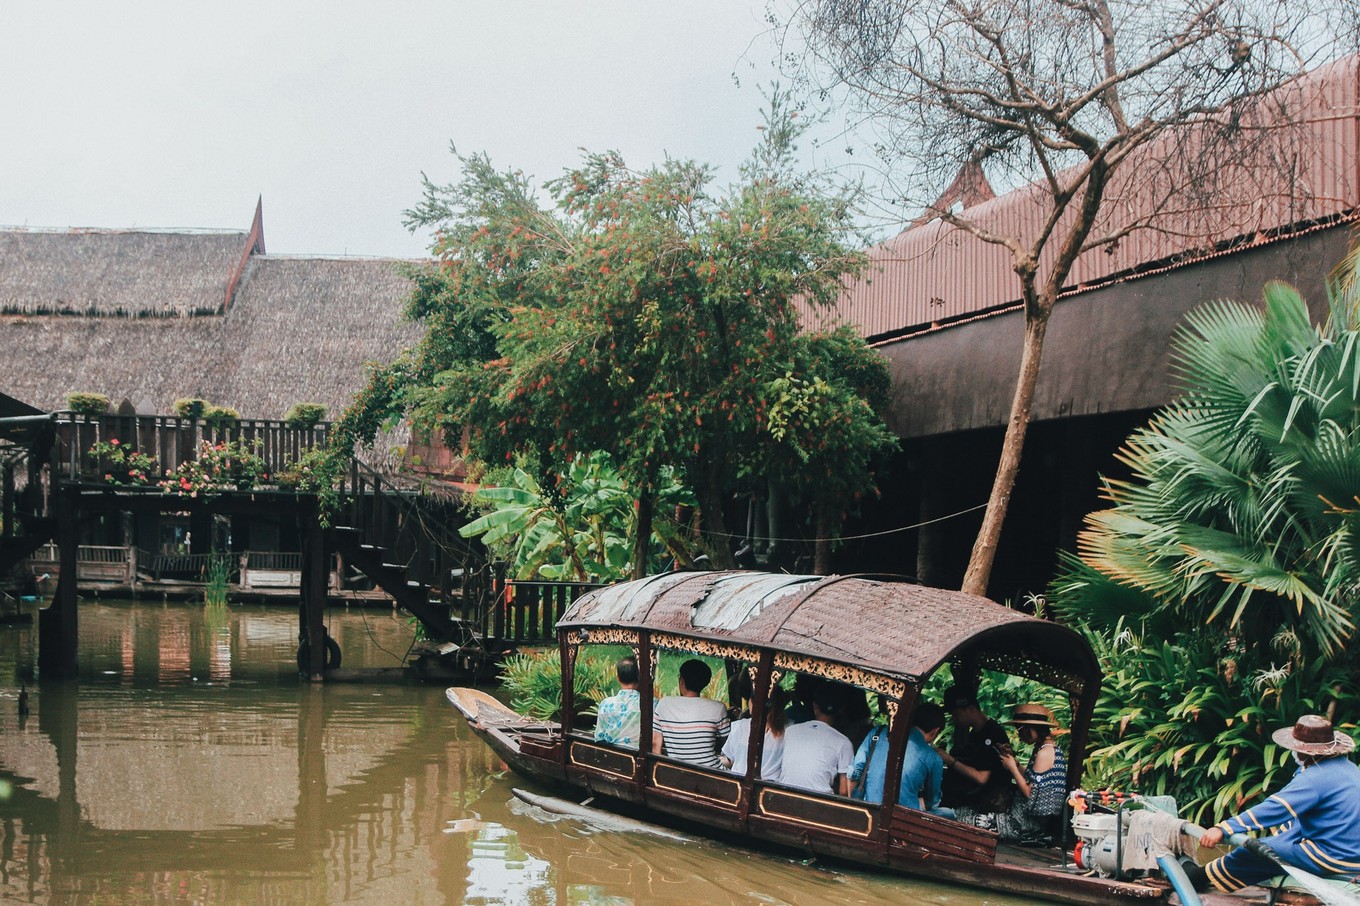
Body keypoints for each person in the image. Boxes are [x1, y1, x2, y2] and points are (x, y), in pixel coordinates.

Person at [1189, 715, 1360, 893]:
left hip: (1333, 857)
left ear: (1306, 751)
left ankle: (1199, 877)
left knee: (1255, 853)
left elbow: (1277, 808)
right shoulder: (1349, 768)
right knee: (1280, 836)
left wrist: (1224, 828)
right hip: (1354, 854)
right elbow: (1297, 817)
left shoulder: (1316, 777)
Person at [954, 703, 1068, 843]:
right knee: (963, 811)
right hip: (1021, 819)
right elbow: (1033, 779)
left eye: (1020, 729)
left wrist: (1013, 768)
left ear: (1031, 728)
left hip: (1021, 825)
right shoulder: (1045, 748)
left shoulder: (1045, 752)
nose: (1019, 735)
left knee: (960, 818)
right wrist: (1014, 761)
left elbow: (1030, 794)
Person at [851, 701, 953, 816]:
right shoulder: (933, 757)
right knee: (948, 813)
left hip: (868, 809)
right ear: (935, 731)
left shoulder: (878, 732)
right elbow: (932, 801)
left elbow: (854, 772)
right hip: (902, 818)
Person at [938, 685, 1015, 812]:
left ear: (971, 709)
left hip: (990, 800)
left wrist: (949, 760)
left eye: (956, 713)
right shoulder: (975, 733)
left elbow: (981, 777)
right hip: (975, 794)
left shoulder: (992, 733)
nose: (954, 718)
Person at [652, 659, 730, 768]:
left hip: (676, 772)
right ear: (705, 683)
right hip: (712, 773)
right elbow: (727, 747)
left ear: (682, 681)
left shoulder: (664, 704)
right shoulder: (718, 708)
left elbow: (655, 746)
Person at [780, 684, 854, 795]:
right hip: (820, 803)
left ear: (814, 706)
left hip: (782, 795)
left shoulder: (791, 731)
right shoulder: (843, 742)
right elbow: (844, 791)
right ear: (841, 710)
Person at [721, 685, 788, 780]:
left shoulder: (739, 726)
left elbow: (729, 760)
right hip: (770, 788)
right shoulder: (790, 730)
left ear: (751, 703)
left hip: (739, 783)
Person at [593, 656, 641, 748]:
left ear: (618, 678)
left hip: (611, 756)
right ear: (639, 677)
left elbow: (599, 737)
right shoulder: (651, 705)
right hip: (638, 758)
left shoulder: (605, 704)